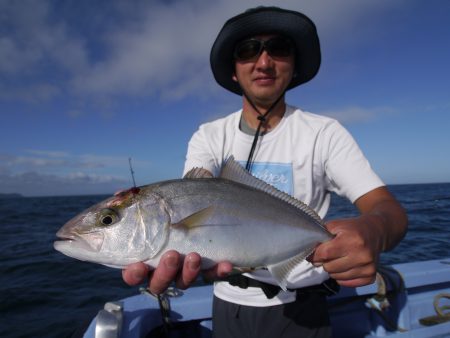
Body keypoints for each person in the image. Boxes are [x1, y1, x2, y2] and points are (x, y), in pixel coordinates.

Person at [123, 6, 408, 337]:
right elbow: (193, 191)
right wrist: (141, 206)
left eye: (279, 48)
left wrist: (373, 230)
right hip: (230, 302)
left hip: (305, 307)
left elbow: (391, 213)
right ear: (234, 70)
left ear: (293, 65)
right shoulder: (210, 135)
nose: (263, 62)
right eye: (247, 51)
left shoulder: (324, 133)